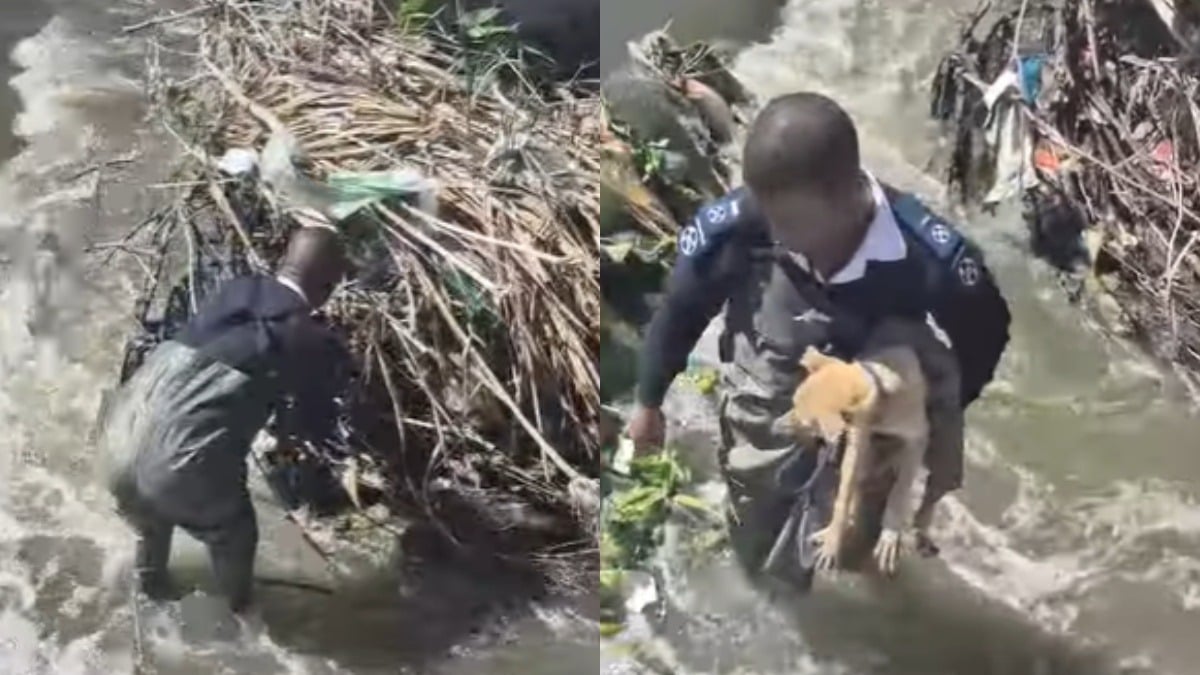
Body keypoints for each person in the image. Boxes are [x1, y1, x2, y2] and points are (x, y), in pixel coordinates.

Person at [626, 92, 1011, 577]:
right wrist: (648, 402)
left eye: (794, 223)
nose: (778, 235)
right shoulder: (741, 225)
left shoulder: (931, 259)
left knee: (856, 532)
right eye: (771, 218)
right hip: (773, 381)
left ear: (851, 195)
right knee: (757, 514)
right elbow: (683, 306)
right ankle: (769, 589)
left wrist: (935, 408)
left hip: (871, 398)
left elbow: (985, 334)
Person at [101, 221, 352, 613]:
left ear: (284, 261)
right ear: (329, 286)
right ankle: (240, 623)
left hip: (116, 440)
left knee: (151, 518)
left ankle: (148, 597)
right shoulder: (308, 338)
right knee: (235, 532)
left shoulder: (235, 290)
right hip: (173, 469)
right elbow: (312, 429)